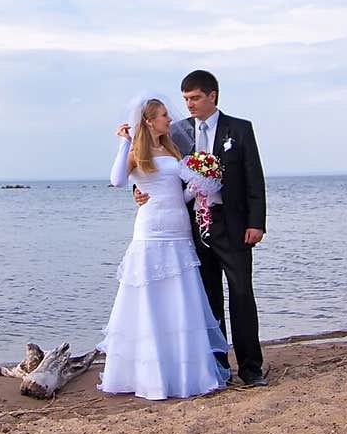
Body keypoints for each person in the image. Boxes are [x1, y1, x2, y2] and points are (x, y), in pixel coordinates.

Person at [137, 69, 267, 387]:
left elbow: (255, 179)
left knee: (241, 294)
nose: (189, 104)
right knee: (207, 299)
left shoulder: (240, 129)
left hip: (233, 225)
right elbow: (155, 169)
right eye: (185, 99)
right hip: (193, 225)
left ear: (212, 96)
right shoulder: (178, 132)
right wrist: (138, 191)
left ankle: (251, 369)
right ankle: (216, 367)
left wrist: (256, 223)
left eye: (195, 98)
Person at [99, 92, 230, 401]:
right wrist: (124, 142)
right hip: (151, 230)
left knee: (180, 299)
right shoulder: (136, 152)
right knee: (151, 300)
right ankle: (149, 374)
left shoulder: (172, 150)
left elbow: (177, 191)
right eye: (163, 116)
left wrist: (198, 188)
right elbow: (117, 180)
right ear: (149, 121)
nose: (170, 119)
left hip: (178, 230)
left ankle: (184, 372)